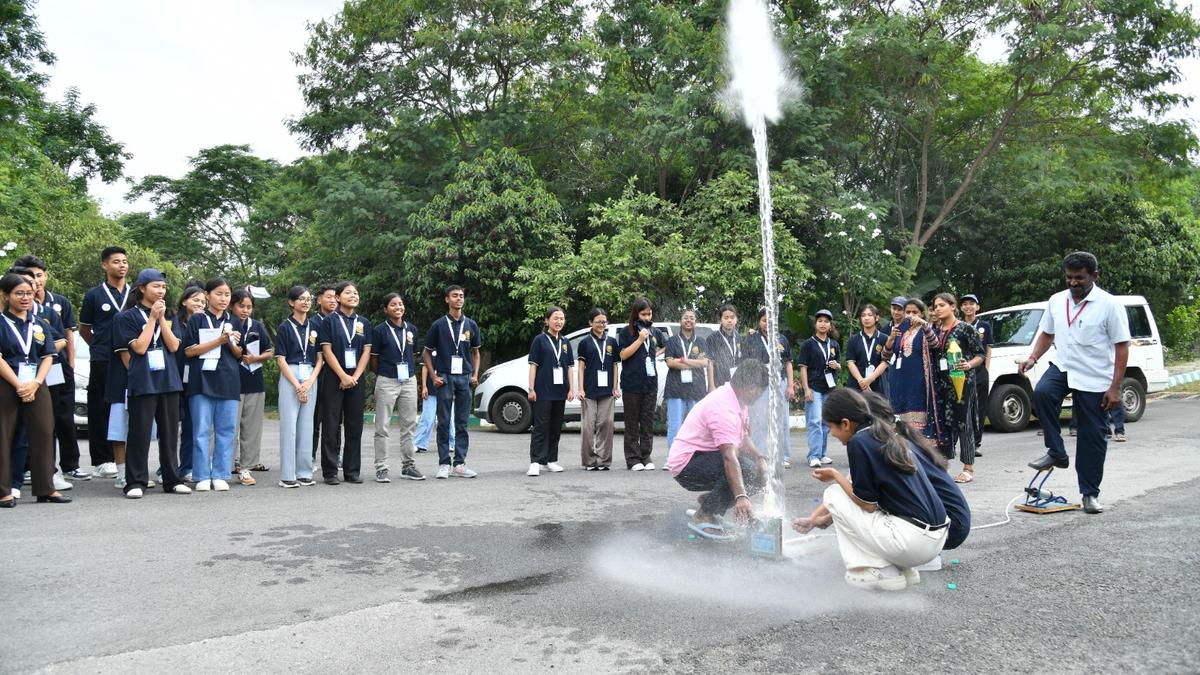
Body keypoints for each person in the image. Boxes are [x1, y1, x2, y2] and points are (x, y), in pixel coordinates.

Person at [791, 388, 948, 591]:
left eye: (831, 427)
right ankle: (902, 568)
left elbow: (867, 505)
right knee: (850, 497)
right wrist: (821, 520)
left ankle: (881, 571)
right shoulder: (884, 434)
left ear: (846, 423)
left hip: (912, 543)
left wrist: (835, 476)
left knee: (833, 493)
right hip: (935, 541)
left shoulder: (858, 442)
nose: (831, 433)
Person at [1021, 251, 1130, 514]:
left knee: (1092, 438)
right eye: (1069, 277)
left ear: (1094, 275)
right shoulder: (1057, 301)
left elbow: (1122, 347)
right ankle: (1056, 452)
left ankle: (1090, 494)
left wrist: (1115, 387)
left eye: (1079, 278)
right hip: (1064, 366)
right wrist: (1033, 357)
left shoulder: (1109, 304)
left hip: (1094, 376)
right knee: (1043, 393)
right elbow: (1048, 333)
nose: (1073, 283)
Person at [667, 360, 770, 540]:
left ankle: (711, 501)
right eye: (760, 390)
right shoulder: (723, 407)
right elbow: (729, 458)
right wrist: (741, 496)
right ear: (751, 387)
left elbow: (742, 437)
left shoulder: (738, 400)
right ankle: (704, 514)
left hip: (705, 457)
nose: (760, 395)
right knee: (746, 470)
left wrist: (760, 457)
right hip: (686, 466)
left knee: (758, 474)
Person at [861, 391, 970, 554]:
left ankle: (912, 551)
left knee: (867, 501)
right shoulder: (903, 439)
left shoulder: (892, 448)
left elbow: (864, 498)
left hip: (948, 528)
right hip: (955, 523)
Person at [114, 269, 190, 498]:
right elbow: (139, 347)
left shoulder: (171, 315)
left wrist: (162, 319)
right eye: (156, 286)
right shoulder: (125, 317)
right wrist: (152, 319)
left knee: (169, 434)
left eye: (163, 287)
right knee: (140, 433)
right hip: (143, 381)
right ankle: (136, 481)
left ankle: (172, 479)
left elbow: (174, 346)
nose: (160, 291)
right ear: (141, 288)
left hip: (168, 380)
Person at [0, 272, 71, 506]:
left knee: (43, 430)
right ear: (6, 295)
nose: (25, 298)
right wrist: (19, 384)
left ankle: (45, 488)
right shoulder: (1, 322)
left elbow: (49, 355)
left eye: (29, 293)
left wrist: (36, 383)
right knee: (4, 434)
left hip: (36, 382)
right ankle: (4, 491)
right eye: (19, 293)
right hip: (8, 382)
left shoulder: (39, 324)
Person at [17, 255, 84, 483]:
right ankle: (24, 470)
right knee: (24, 422)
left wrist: (69, 360)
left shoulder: (53, 309)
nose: (34, 282)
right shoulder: (9, 313)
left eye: (38, 276)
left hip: (54, 369)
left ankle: (66, 467)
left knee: (59, 417)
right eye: (28, 278)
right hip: (22, 374)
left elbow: (64, 337)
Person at [183, 278, 243, 492]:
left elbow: (239, 354)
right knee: (201, 428)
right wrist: (219, 339)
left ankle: (220, 473)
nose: (223, 298)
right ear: (207, 295)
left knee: (226, 429)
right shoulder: (197, 320)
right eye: (219, 294)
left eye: (227, 295)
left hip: (228, 379)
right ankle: (201, 474)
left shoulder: (234, 320)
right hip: (201, 380)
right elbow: (189, 351)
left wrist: (231, 342)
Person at [79, 246, 129, 479]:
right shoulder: (94, 295)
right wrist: (100, 346)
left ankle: (127, 458)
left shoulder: (136, 292)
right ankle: (102, 459)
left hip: (130, 357)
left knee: (126, 406)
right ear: (104, 265)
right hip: (102, 358)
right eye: (116, 261)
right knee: (100, 407)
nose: (122, 265)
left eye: (124, 261)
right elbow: (85, 329)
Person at [422, 285, 481, 479]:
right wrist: (433, 376)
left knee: (462, 422)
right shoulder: (438, 325)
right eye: (454, 296)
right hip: (445, 376)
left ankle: (460, 464)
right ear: (447, 299)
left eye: (461, 296)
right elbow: (426, 352)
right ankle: (444, 464)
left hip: (464, 376)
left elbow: (476, 353)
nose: (459, 299)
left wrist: (474, 374)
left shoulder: (471, 325)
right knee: (445, 421)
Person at [317, 281, 372, 485]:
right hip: (334, 377)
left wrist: (354, 377)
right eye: (348, 293)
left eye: (356, 293)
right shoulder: (329, 321)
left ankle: (352, 471)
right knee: (331, 424)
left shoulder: (364, 323)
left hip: (356, 378)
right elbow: (326, 350)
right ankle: (330, 471)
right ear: (338, 298)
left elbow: (366, 351)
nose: (353, 295)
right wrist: (342, 375)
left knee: (354, 425)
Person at [928, 293, 985, 483]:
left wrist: (969, 364)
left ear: (953, 307)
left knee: (964, 422)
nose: (937, 309)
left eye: (942, 305)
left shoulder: (965, 329)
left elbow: (980, 354)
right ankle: (943, 465)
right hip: (941, 383)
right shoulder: (935, 330)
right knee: (944, 423)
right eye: (935, 306)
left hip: (961, 382)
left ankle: (968, 467)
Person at [371, 293, 424, 482]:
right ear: (386, 309)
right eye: (393, 305)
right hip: (387, 380)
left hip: (408, 380)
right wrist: (384, 375)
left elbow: (415, 354)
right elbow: (374, 360)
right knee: (382, 426)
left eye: (400, 304)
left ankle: (408, 466)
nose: (398, 307)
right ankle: (382, 467)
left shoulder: (412, 329)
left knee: (409, 425)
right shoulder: (379, 331)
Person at [274, 286, 322, 488]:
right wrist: (297, 385)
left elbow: (320, 358)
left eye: (308, 299)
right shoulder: (285, 327)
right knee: (289, 426)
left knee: (306, 425)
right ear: (291, 302)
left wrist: (309, 382)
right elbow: (280, 359)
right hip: (291, 375)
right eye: (301, 299)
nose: (305, 302)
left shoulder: (314, 327)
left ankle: (304, 472)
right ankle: (287, 474)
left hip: (310, 375)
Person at [742, 307, 796, 467]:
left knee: (782, 420)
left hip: (780, 382)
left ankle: (783, 456)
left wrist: (791, 386)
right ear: (759, 322)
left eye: (771, 320)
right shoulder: (751, 339)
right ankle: (760, 455)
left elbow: (788, 364)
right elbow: (747, 364)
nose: (767, 324)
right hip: (759, 384)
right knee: (759, 420)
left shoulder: (782, 339)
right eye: (764, 320)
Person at [617, 297, 666, 471]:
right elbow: (623, 355)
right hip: (632, 384)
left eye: (649, 313)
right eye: (643, 314)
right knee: (632, 423)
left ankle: (646, 455)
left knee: (647, 422)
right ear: (636, 313)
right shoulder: (626, 332)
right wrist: (639, 340)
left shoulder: (655, 331)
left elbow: (666, 345)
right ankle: (633, 458)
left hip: (650, 383)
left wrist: (655, 353)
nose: (646, 317)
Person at [526, 306, 575, 476]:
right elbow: (533, 365)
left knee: (555, 427)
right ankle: (535, 461)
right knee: (541, 426)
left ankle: (551, 460)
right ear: (547, 321)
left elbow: (569, 367)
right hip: (542, 391)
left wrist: (571, 388)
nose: (559, 321)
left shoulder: (566, 342)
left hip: (560, 391)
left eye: (561, 318)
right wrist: (531, 388)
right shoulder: (539, 340)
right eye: (555, 318)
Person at [231, 288, 273, 485]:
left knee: (252, 427)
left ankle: (247, 466)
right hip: (231, 383)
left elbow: (270, 351)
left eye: (249, 307)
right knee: (230, 427)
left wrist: (256, 358)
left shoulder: (256, 326)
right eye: (241, 306)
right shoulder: (226, 325)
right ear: (232, 306)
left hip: (254, 381)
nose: (245, 310)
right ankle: (228, 464)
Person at [882, 299, 939, 434]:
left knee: (917, 425)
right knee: (899, 422)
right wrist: (890, 339)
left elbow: (935, 344)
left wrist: (925, 325)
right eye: (908, 312)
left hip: (918, 381)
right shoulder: (900, 330)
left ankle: (918, 450)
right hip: (898, 381)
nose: (911, 315)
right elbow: (885, 357)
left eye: (915, 312)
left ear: (922, 314)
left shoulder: (926, 329)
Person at [663, 308, 712, 465]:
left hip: (696, 388)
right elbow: (670, 362)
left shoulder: (701, 341)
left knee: (696, 426)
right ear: (680, 321)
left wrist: (683, 360)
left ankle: (694, 459)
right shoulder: (672, 341)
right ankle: (673, 458)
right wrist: (693, 362)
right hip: (675, 388)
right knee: (675, 425)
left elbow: (704, 363)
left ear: (695, 321)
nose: (689, 320)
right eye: (686, 318)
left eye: (692, 318)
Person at [576, 307, 619, 470]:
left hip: (607, 392)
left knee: (606, 424)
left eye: (604, 321)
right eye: (598, 321)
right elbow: (580, 367)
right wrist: (580, 389)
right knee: (588, 427)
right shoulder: (585, 342)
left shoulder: (612, 342)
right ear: (590, 323)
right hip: (589, 391)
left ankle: (603, 460)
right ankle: (589, 461)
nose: (601, 324)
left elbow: (615, 366)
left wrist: (615, 387)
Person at [798, 309, 842, 468]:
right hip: (814, 387)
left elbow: (838, 364)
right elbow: (803, 368)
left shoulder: (834, 344)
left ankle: (822, 454)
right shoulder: (808, 344)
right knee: (815, 421)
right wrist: (806, 389)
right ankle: (813, 455)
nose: (823, 324)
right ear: (815, 324)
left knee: (825, 422)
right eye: (820, 321)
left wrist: (837, 365)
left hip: (829, 388)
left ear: (830, 325)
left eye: (826, 321)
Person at [174, 285, 206, 481]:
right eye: (195, 299)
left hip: (194, 380)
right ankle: (165, 467)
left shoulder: (205, 323)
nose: (200, 304)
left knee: (191, 426)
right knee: (169, 428)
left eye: (203, 301)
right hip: (173, 378)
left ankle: (187, 466)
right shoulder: (174, 322)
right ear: (184, 301)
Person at [960, 294, 992, 456]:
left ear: (977, 307)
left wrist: (986, 368)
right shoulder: (958, 325)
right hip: (961, 371)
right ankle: (966, 442)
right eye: (965, 304)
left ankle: (976, 443)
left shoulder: (984, 325)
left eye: (971, 304)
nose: (968, 307)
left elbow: (988, 349)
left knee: (980, 407)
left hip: (979, 371)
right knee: (965, 406)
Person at [310, 284, 338, 463]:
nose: (333, 300)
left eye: (335, 297)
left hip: (336, 374)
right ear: (319, 299)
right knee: (315, 418)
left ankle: (335, 456)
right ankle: (310, 456)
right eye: (328, 297)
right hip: (318, 374)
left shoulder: (341, 321)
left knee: (336, 419)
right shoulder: (312, 322)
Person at [847, 304, 888, 396]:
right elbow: (850, 363)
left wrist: (869, 380)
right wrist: (861, 381)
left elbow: (885, 362)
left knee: (877, 409)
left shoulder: (884, 338)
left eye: (870, 315)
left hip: (877, 384)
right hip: (856, 385)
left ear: (876, 318)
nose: (866, 318)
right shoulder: (853, 339)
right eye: (863, 315)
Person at [706, 304, 740, 388]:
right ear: (720, 320)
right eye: (726, 318)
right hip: (719, 383)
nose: (729, 320)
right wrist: (711, 386)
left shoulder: (739, 337)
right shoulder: (712, 338)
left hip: (737, 383)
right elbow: (710, 363)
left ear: (736, 319)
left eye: (732, 317)